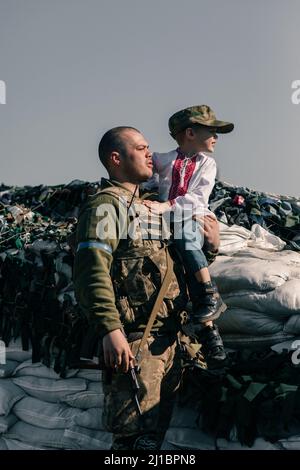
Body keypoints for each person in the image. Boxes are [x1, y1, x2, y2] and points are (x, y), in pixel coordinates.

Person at [73, 126, 221, 450]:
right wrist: (109, 330)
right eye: (140, 148)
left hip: (169, 343)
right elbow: (91, 271)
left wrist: (210, 248)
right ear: (116, 158)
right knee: (133, 444)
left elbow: (171, 265)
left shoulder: (151, 207)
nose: (149, 154)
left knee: (154, 442)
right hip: (136, 343)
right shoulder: (106, 206)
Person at [143, 105, 234, 367]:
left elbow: (197, 198)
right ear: (190, 133)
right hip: (168, 222)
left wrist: (166, 206)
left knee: (185, 238)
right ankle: (208, 332)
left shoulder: (208, 164)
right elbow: (147, 177)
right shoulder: (165, 160)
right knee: (181, 264)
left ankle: (209, 293)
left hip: (192, 218)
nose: (216, 137)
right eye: (212, 131)